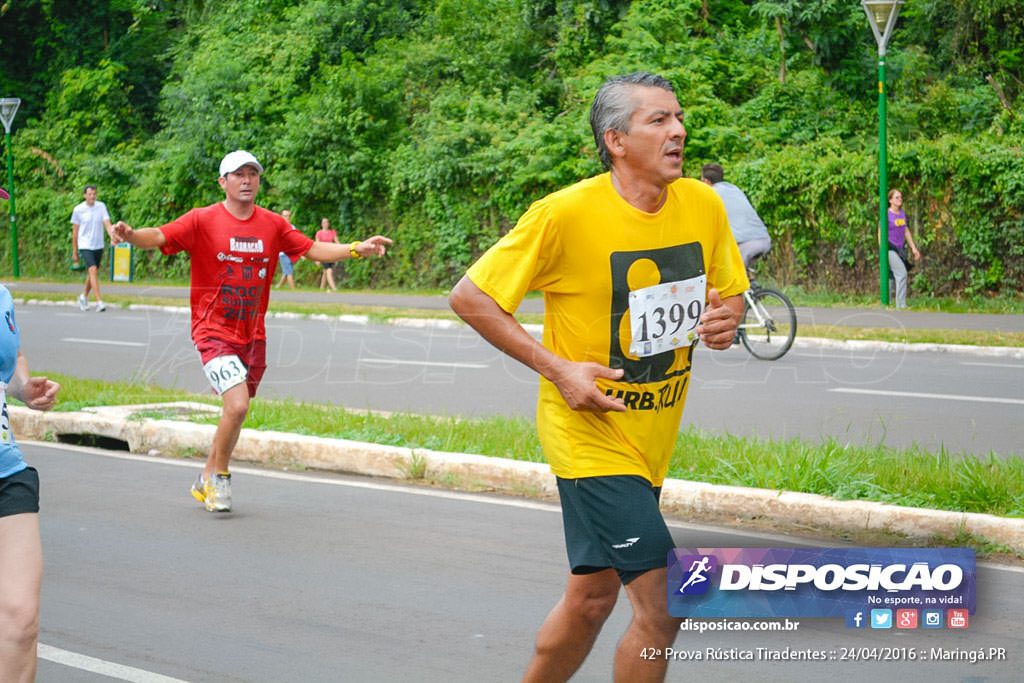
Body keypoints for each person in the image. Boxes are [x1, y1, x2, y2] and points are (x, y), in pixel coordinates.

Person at [449, 72, 747, 682]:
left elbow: (730, 295)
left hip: (649, 442)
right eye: (658, 120)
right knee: (665, 606)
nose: (679, 131)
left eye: (679, 118)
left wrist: (724, 322)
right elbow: (470, 297)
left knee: (591, 599)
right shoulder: (565, 214)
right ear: (616, 139)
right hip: (588, 437)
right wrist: (556, 369)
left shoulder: (703, 203)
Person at [112, 150, 392, 512]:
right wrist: (131, 235)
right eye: (238, 174)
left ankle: (205, 476)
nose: (246, 180)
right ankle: (220, 480)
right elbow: (161, 236)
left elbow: (312, 249)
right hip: (212, 330)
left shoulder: (273, 224)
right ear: (223, 182)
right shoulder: (202, 220)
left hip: (252, 333)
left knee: (235, 411)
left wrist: (357, 248)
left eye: (252, 174)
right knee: (238, 405)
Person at [0, 284, 60, 683]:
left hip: (6, 468)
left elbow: (12, 356)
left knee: (21, 623)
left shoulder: (2, 295)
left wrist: (22, 388)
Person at [700, 162, 771, 271]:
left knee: (726, 273)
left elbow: (706, 223)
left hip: (746, 243)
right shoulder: (734, 189)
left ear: (705, 181)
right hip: (764, 239)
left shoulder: (711, 194)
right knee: (743, 273)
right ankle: (754, 286)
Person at [70, 184, 115, 312]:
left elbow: (107, 224)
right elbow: (75, 232)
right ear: (85, 195)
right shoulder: (78, 209)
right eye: (89, 194)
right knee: (93, 270)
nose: (92, 196)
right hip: (85, 244)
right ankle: (99, 301)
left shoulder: (101, 207)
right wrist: (75, 251)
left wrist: (112, 236)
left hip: (98, 244)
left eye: (94, 194)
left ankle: (83, 296)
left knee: (92, 273)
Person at [887, 189, 921, 309]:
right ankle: (901, 305)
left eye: (901, 197)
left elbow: (906, 231)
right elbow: (880, 232)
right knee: (901, 274)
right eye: (897, 197)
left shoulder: (902, 213)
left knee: (890, 276)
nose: (900, 199)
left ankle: (888, 303)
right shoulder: (886, 214)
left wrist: (913, 248)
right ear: (890, 200)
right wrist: (882, 250)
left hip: (900, 249)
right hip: (889, 249)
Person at [275, 209, 299, 289]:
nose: (287, 218)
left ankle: (278, 287)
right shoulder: (278, 227)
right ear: (281, 216)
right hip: (283, 253)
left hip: (291, 253)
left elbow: (296, 240)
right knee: (289, 272)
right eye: (285, 216)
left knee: (286, 272)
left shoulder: (293, 227)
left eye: (289, 216)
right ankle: (294, 290)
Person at [315, 217, 340, 291]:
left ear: (328, 223)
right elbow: (317, 246)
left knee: (326, 271)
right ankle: (334, 287)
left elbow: (337, 242)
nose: (325, 224)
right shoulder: (319, 233)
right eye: (324, 222)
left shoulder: (332, 232)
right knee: (329, 270)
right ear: (321, 224)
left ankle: (321, 288)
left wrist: (343, 250)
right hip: (323, 254)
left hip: (331, 254)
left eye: (327, 222)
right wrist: (317, 259)